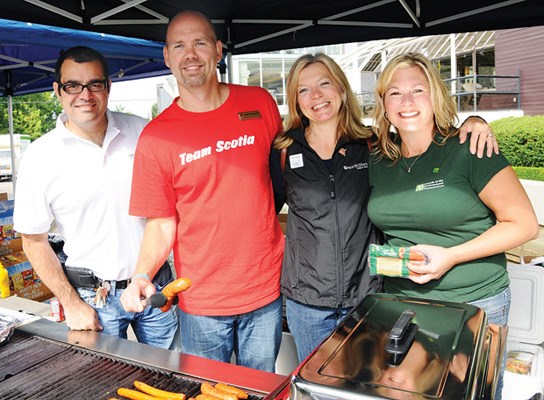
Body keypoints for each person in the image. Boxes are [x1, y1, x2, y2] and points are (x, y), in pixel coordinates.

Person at [271, 52, 499, 363]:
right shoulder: (282, 151)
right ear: (295, 99)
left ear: (341, 89)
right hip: (307, 302)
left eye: (325, 84)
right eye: (303, 89)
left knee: (368, 384)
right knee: (316, 388)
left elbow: (423, 140)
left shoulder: (374, 146)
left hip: (368, 297)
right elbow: (264, 209)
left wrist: (475, 121)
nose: (316, 96)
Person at [367, 52, 539, 399]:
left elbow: (524, 224)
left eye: (418, 90)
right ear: (383, 104)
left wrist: (451, 256)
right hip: (403, 305)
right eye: (395, 93)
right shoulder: (377, 159)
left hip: (475, 303)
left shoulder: (468, 148)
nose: (407, 101)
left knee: (474, 392)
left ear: (436, 96)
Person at [119, 11, 284, 372]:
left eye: (199, 43)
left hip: (264, 289)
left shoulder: (260, 104)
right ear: (167, 57)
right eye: (179, 45)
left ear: (218, 50)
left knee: (262, 389)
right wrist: (142, 274)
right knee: (206, 392)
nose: (190, 54)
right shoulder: (157, 137)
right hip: (201, 300)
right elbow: (162, 223)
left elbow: (284, 179)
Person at [13, 46, 179, 349]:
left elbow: (169, 211)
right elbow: (33, 240)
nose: (85, 95)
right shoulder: (40, 156)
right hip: (94, 299)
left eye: (95, 84)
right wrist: (71, 302)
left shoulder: (142, 132)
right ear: (57, 91)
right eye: (73, 85)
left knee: (170, 384)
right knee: (104, 387)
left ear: (108, 87)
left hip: (155, 288)